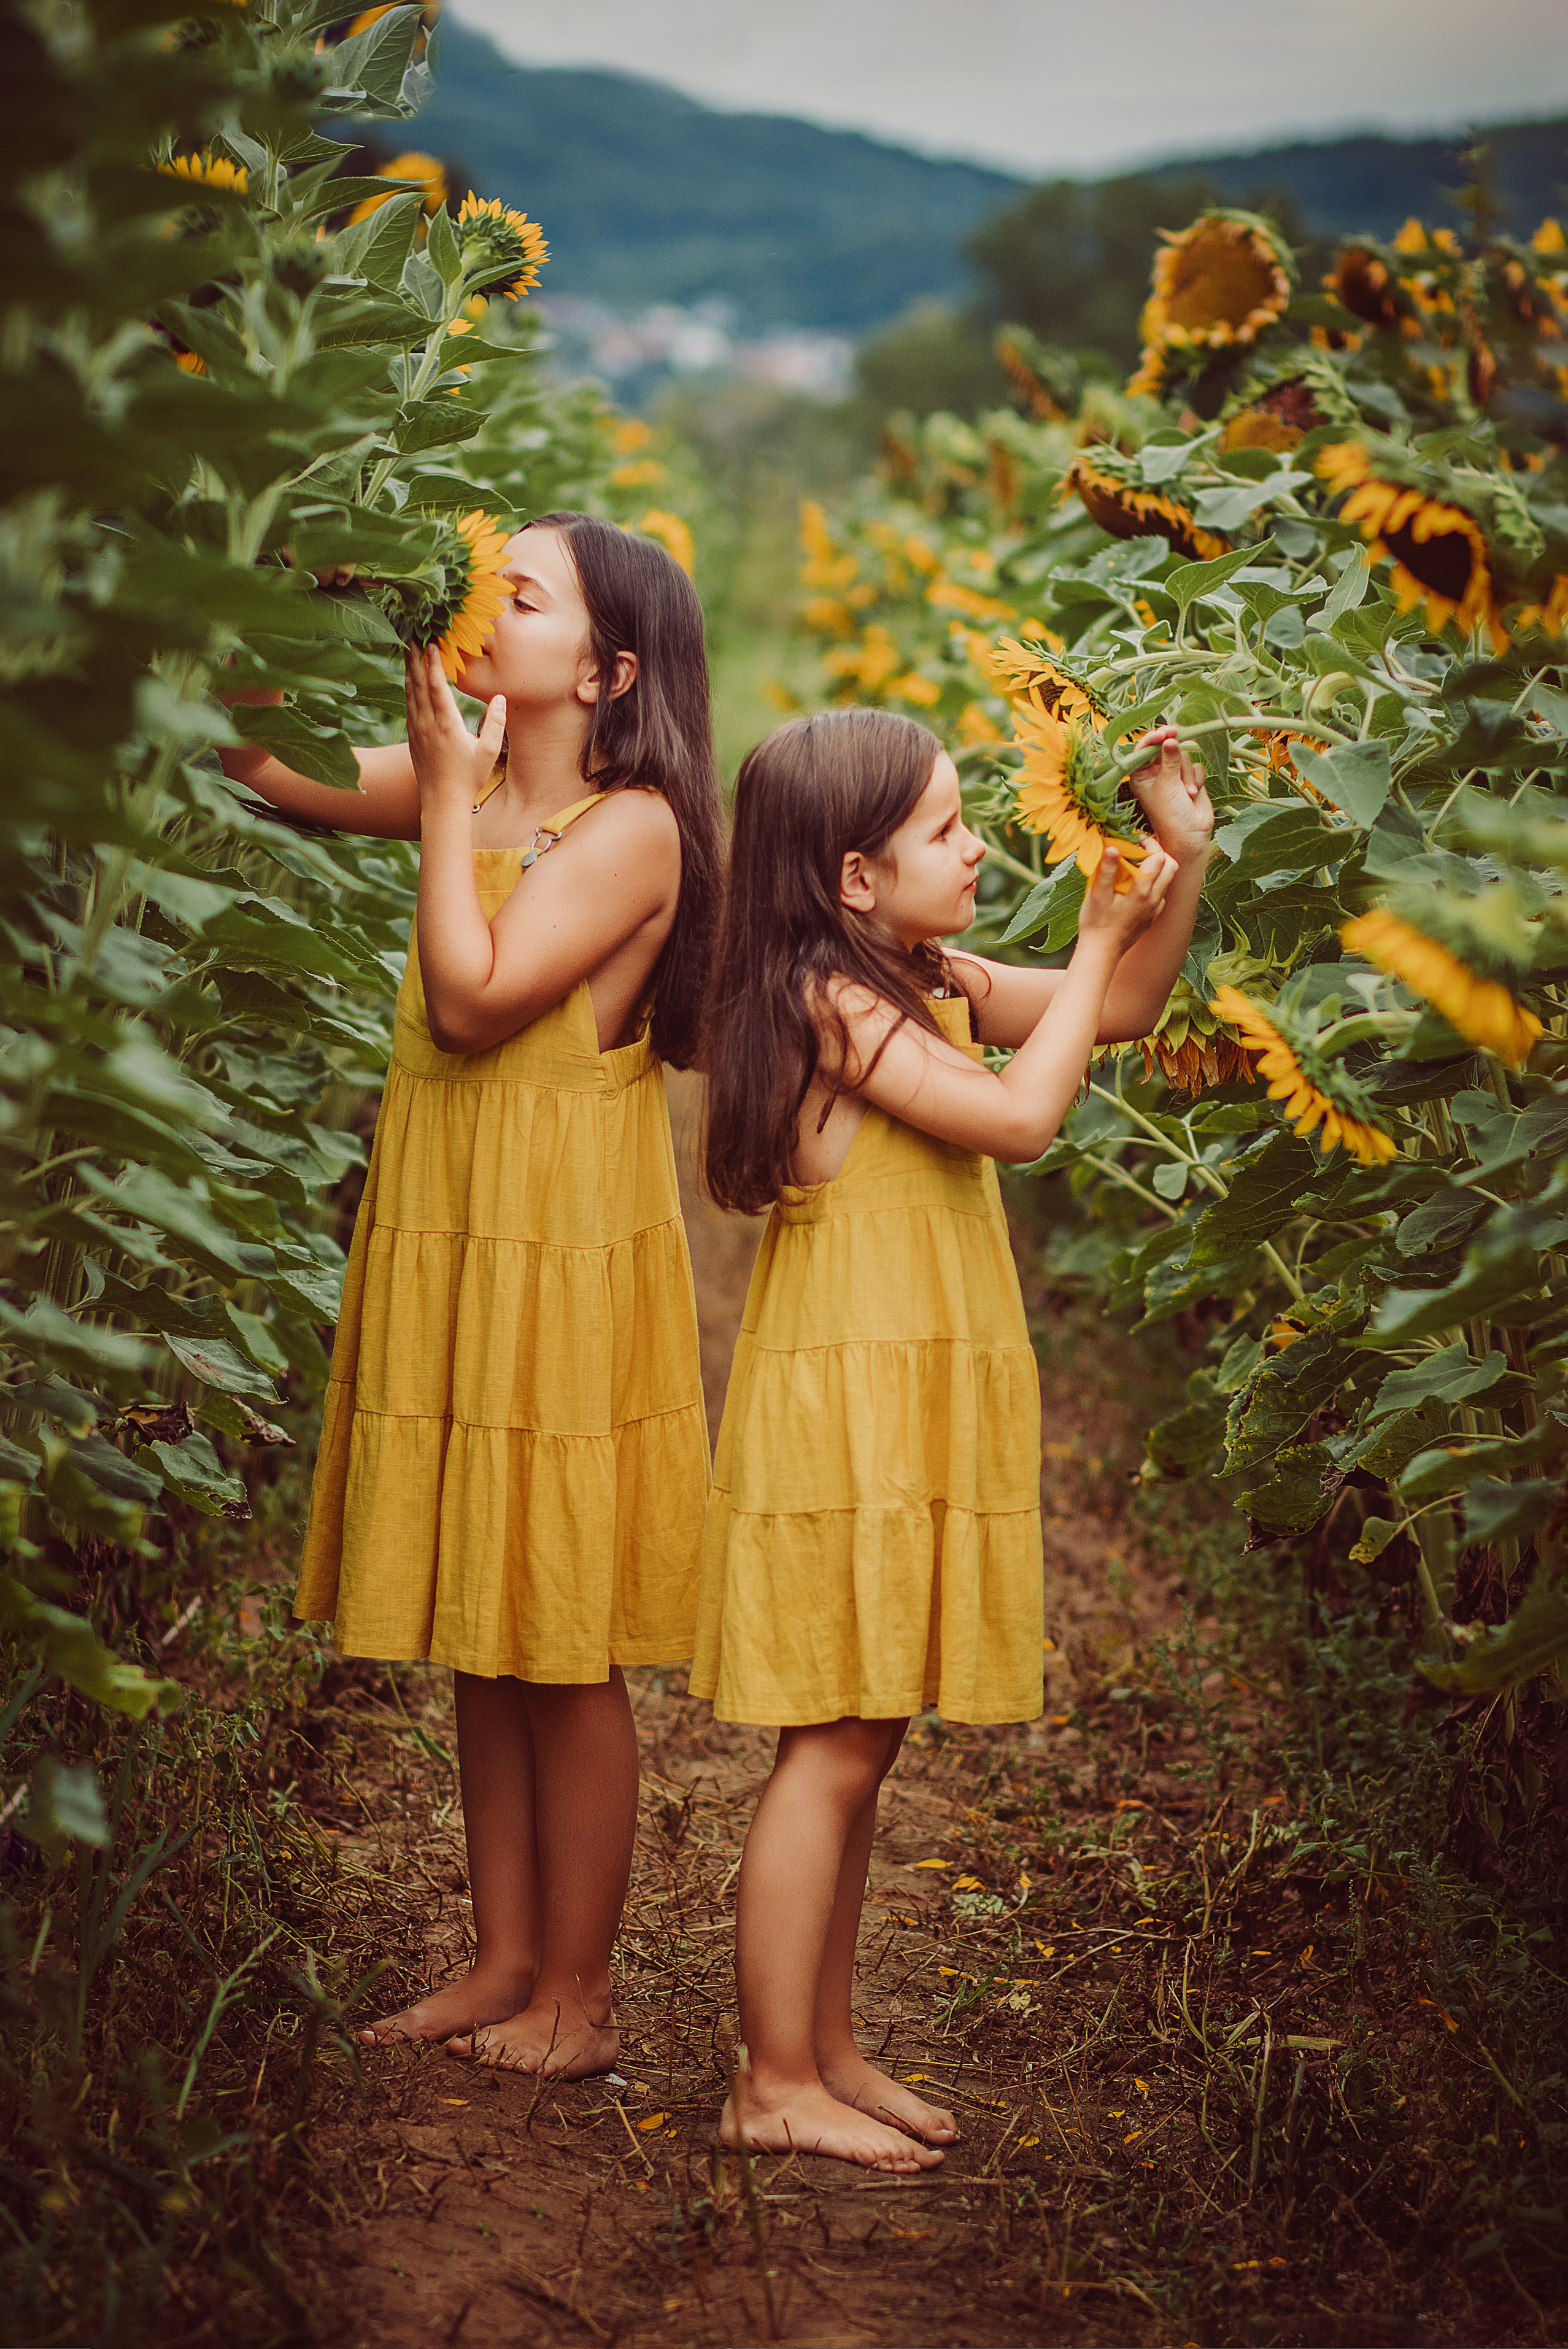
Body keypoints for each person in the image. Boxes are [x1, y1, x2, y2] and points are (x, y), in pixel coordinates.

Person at [219, 513, 723, 2075]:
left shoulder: (629, 826)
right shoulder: (485, 780)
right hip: (457, 1222)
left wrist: (443, 798)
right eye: (479, 578)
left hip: (557, 1245)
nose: (480, 602)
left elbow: (474, 995)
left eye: (522, 591)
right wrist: (297, 592)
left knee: (561, 1633)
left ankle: (579, 1992)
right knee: (488, 1624)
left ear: (608, 667)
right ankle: (501, 1959)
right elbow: (259, 767)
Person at [692, 706, 1211, 2170]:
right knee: (831, 1749)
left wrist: (1178, 864)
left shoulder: (917, 977)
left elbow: (1108, 1020)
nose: (976, 844)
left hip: (904, 1391)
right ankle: (768, 2077)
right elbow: (1021, 1120)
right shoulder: (827, 1002)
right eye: (944, 827)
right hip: (848, 1406)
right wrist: (1103, 933)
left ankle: (828, 2046)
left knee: (869, 1735)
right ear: (853, 877)